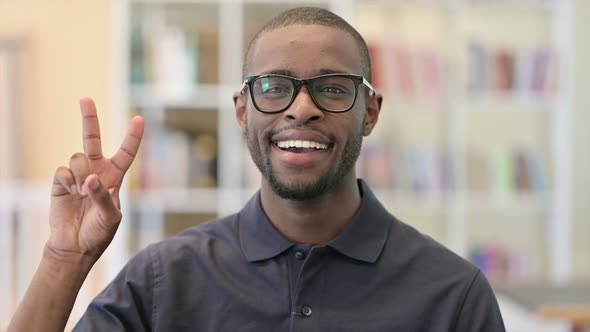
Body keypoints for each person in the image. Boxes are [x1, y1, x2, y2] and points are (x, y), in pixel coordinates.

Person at [8, 6, 505, 332]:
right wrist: (62, 258)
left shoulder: (452, 297)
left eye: (332, 87)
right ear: (243, 112)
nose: (302, 108)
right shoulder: (163, 282)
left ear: (369, 112)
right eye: (274, 87)